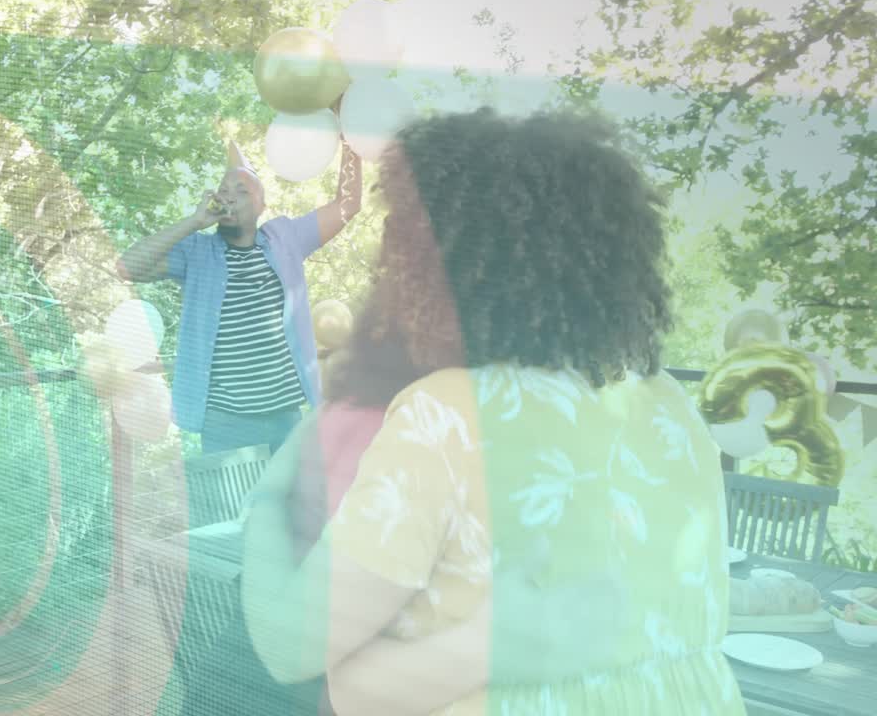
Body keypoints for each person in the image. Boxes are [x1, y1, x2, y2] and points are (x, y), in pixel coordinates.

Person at [241, 108, 746, 716]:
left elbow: (290, 647)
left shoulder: (447, 416)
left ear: (434, 262)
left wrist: (267, 497)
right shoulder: (670, 403)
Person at [117, 137, 361, 455]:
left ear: (262, 205)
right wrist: (194, 222)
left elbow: (348, 204)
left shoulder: (285, 238)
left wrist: (351, 139)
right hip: (225, 425)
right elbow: (127, 267)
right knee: (236, 506)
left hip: (287, 419)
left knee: (292, 505)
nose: (229, 197)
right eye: (224, 190)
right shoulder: (197, 252)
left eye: (242, 191)